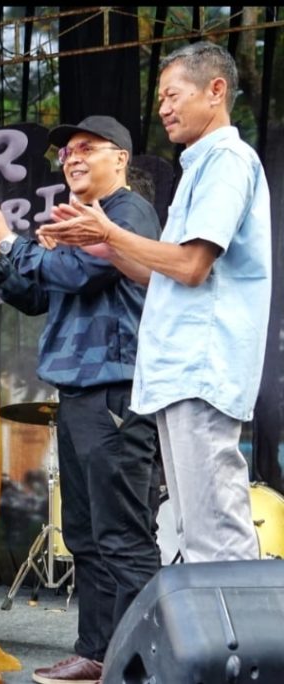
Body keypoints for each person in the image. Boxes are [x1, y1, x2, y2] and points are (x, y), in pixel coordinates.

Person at [0, 115, 163, 683]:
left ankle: (146, 663)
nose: (72, 157)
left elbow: (80, 271)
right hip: (81, 394)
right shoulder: (83, 219)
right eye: (66, 152)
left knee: (122, 535)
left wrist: (8, 243)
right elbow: (40, 293)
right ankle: (98, 653)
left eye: (87, 148)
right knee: (85, 535)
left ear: (121, 158)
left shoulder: (127, 214)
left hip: (115, 391)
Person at [39, 42, 271, 568]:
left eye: (172, 95)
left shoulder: (228, 160)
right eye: (161, 97)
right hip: (177, 371)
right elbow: (159, 275)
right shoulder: (200, 166)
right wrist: (99, 243)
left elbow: (192, 266)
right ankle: (214, 622)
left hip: (201, 368)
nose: (163, 108)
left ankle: (236, 625)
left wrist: (108, 232)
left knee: (215, 533)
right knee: (194, 529)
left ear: (215, 91)